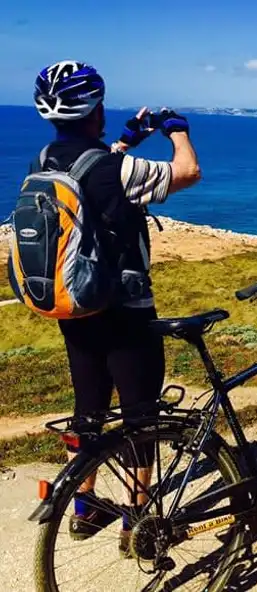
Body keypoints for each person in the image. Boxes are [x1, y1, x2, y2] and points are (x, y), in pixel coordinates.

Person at [31, 60, 202, 554]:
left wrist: (128, 140)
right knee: (139, 416)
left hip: (75, 306)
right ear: (95, 108)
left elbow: (95, 174)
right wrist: (177, 132)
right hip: (126, 311)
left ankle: (84, 508)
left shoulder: (43, 159)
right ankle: (138, 519)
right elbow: (188, 172)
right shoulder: (115, 169)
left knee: (89, 408)